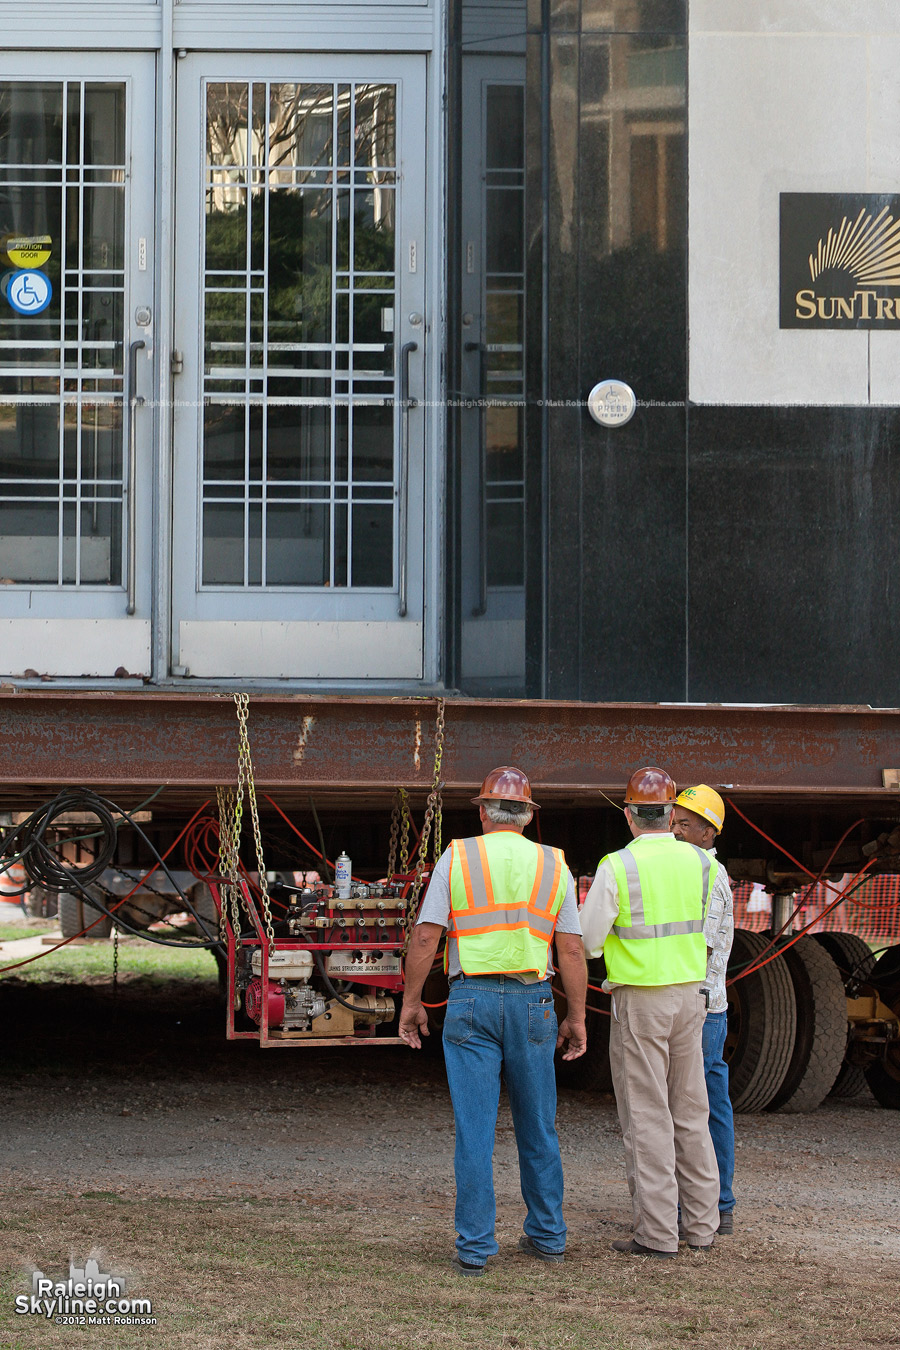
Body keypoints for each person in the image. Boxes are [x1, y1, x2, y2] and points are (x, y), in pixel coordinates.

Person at [398, 766, 588, 1276]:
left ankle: (475, 1250)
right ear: (528, 815)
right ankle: (548, 1237)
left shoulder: (457, 856)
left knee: (475, 1131)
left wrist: (411, 1002)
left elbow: (425, 937)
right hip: (532, 1000)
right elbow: (570, 946)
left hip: (471, 1001)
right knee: (538, 1125)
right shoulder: (554, 865)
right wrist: (577, 1014)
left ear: (483, 812)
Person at [579, 766, 720, 1259]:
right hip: (690, 994)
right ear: (671, 813)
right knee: (691, 1112)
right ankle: (702, 1226)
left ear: (629, 814)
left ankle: (658, 1234)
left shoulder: (618, 866)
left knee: (647, 1115)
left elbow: (590, 940)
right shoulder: (702, 864)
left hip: (643, 999)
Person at [671, 785, 736, 1235]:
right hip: (694, 1005)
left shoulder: (710, 875)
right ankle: (702, 1201)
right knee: (693, 1106)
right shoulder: (688, 869)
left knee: (706, 1107)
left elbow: (706, 943)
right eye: (672, 822)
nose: (674, 831)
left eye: (685, 825)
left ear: (709, 833)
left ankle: (718, 1203)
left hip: (704, 1009)